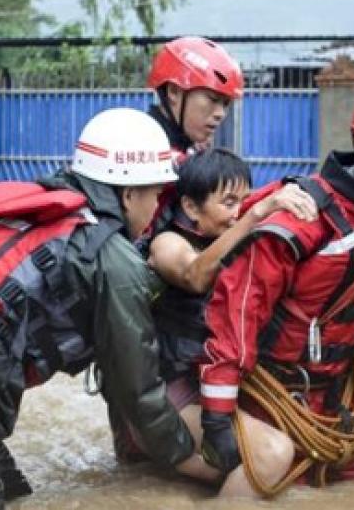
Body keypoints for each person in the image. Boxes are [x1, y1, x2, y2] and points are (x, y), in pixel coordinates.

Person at [197, 76, 354, 493]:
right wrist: (217, 417)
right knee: (268, 478)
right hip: (270, 398)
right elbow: (235, 314)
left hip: (342, 407)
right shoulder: (300, 216)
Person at [0, 109, 202, 502]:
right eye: (156, 194)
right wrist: (182, 452)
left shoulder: (56, 207)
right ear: (128, 194)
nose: (158, 207)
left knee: (16, 491)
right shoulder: (114, 261)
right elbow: (136, 386)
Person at [116, 149, 318, 496]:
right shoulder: (166, 243)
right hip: (163, 401)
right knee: (273, 455)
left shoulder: (236, 239)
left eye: (243, 200)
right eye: (227, 202)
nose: (237, 211)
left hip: (208, 392)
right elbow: (194, 275)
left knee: (298, 456)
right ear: (191, 207)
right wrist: (256, 214)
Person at [146, 37, 244, 156]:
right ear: (174, 91)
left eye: (226, 104)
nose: (220, 114)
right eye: (213, 99)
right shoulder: (141, 151)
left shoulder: (186, 152)